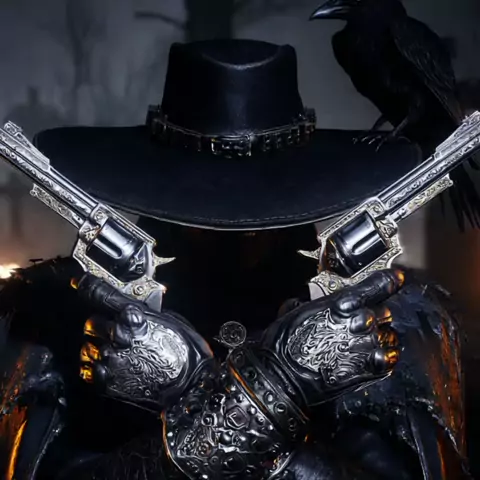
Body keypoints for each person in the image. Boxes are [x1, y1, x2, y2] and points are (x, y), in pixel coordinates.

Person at [0, 39, 470, 479]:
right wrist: (260, 397)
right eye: (208, 195)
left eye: (258, 197)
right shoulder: (55, 318)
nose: (238, 224)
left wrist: (260, 391)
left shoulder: (390, 326)